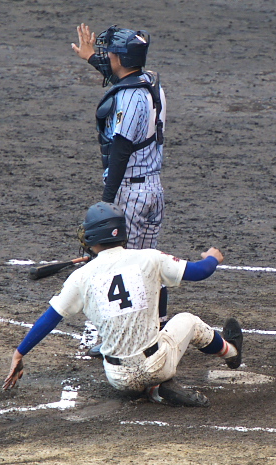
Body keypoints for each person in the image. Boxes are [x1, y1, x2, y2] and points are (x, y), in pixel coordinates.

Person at [3, 202, 243, 407]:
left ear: (93, 236)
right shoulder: (149, 258)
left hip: (118, 377)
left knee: (127, 351)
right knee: (188, 321)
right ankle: (231, 351)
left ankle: (154, 391)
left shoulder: (80, 277)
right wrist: (213, 256)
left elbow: (50, 319)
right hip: (156, 365)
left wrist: (19, 352)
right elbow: (201, 272)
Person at [72, 24, 170, 351]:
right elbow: (123, 77)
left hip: (131, 192)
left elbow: (121, 150)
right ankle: (158, 328)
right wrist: (91, 60)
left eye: (109, 52)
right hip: (151, 190)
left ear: (119, 56)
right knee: (149, 264)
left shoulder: (130, 99)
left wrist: (105, 205)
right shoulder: (150, 82)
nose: (106, 54)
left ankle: (116, 338)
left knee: (123, 269)